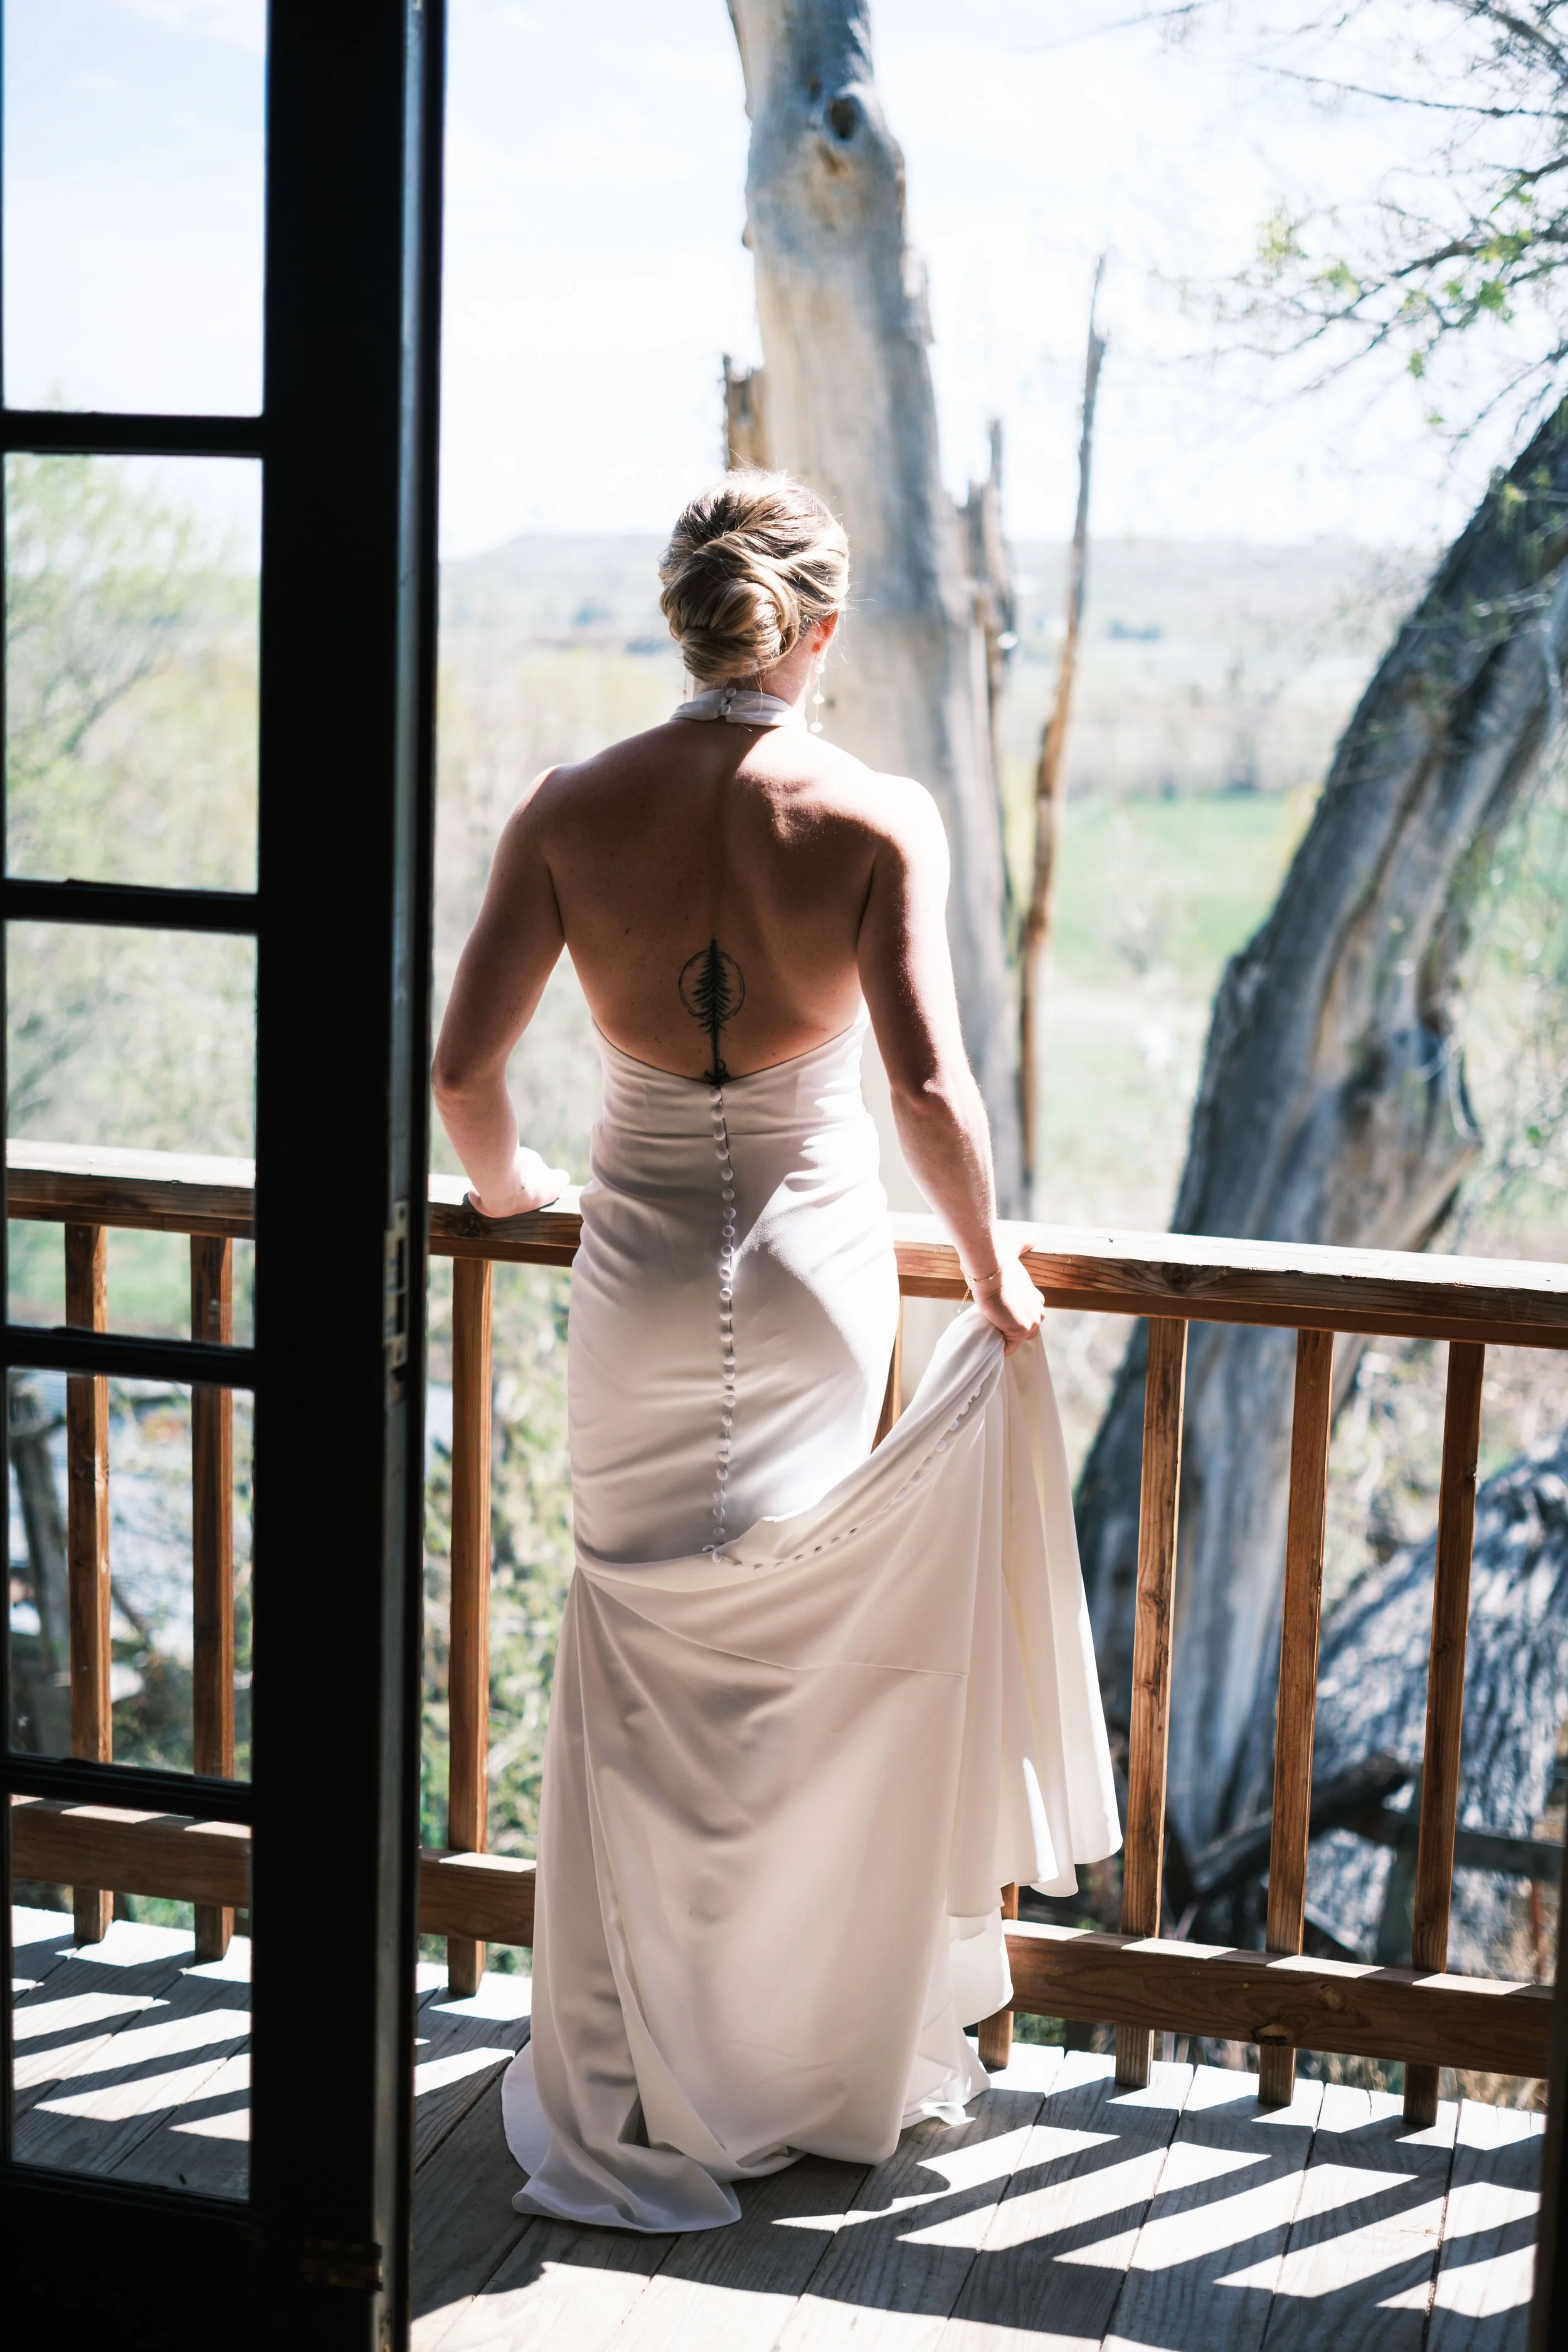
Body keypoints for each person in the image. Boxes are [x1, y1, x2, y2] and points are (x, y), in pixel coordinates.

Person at [432, 469, 1119, 2233]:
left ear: (686, 619)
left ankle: (643, 2064)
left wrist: (506, 1196)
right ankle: (790, 2057)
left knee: (640, 1656)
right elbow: (925, 1090)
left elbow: (461, 1073)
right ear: (816, 629)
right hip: (814, 1288)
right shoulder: (875, 816)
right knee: (791, 1677)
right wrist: (994, 1271)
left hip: (638, 1273)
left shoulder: (571, 809)